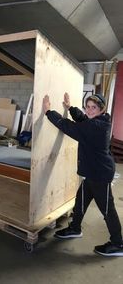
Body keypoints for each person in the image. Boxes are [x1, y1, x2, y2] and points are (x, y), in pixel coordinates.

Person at [42, 92, 123, 257]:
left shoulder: (96, 127)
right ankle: (75, 228)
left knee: (108, 210)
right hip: (92, 172)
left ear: (101, 109)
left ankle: (118, 244)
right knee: (80, 200)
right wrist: (70, 108)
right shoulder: (99, 121)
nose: (90, 110)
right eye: (88, 107)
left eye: (94, 107)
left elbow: (69, 127)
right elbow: (83, 119)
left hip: (99, 175)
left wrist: (48, 112)